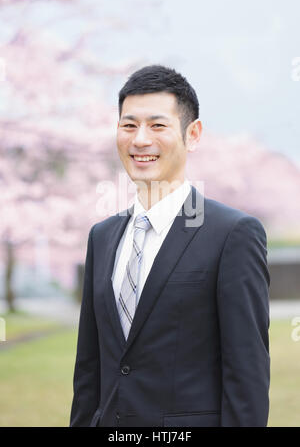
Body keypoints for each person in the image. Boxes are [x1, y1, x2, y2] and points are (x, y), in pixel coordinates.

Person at [70, 65, 270, 427]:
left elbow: (247, 380)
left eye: (157, 126)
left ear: (192, 135)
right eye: (129, 125)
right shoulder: (102, 237)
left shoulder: (232, 234)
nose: (140, 140)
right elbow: (89, 374)